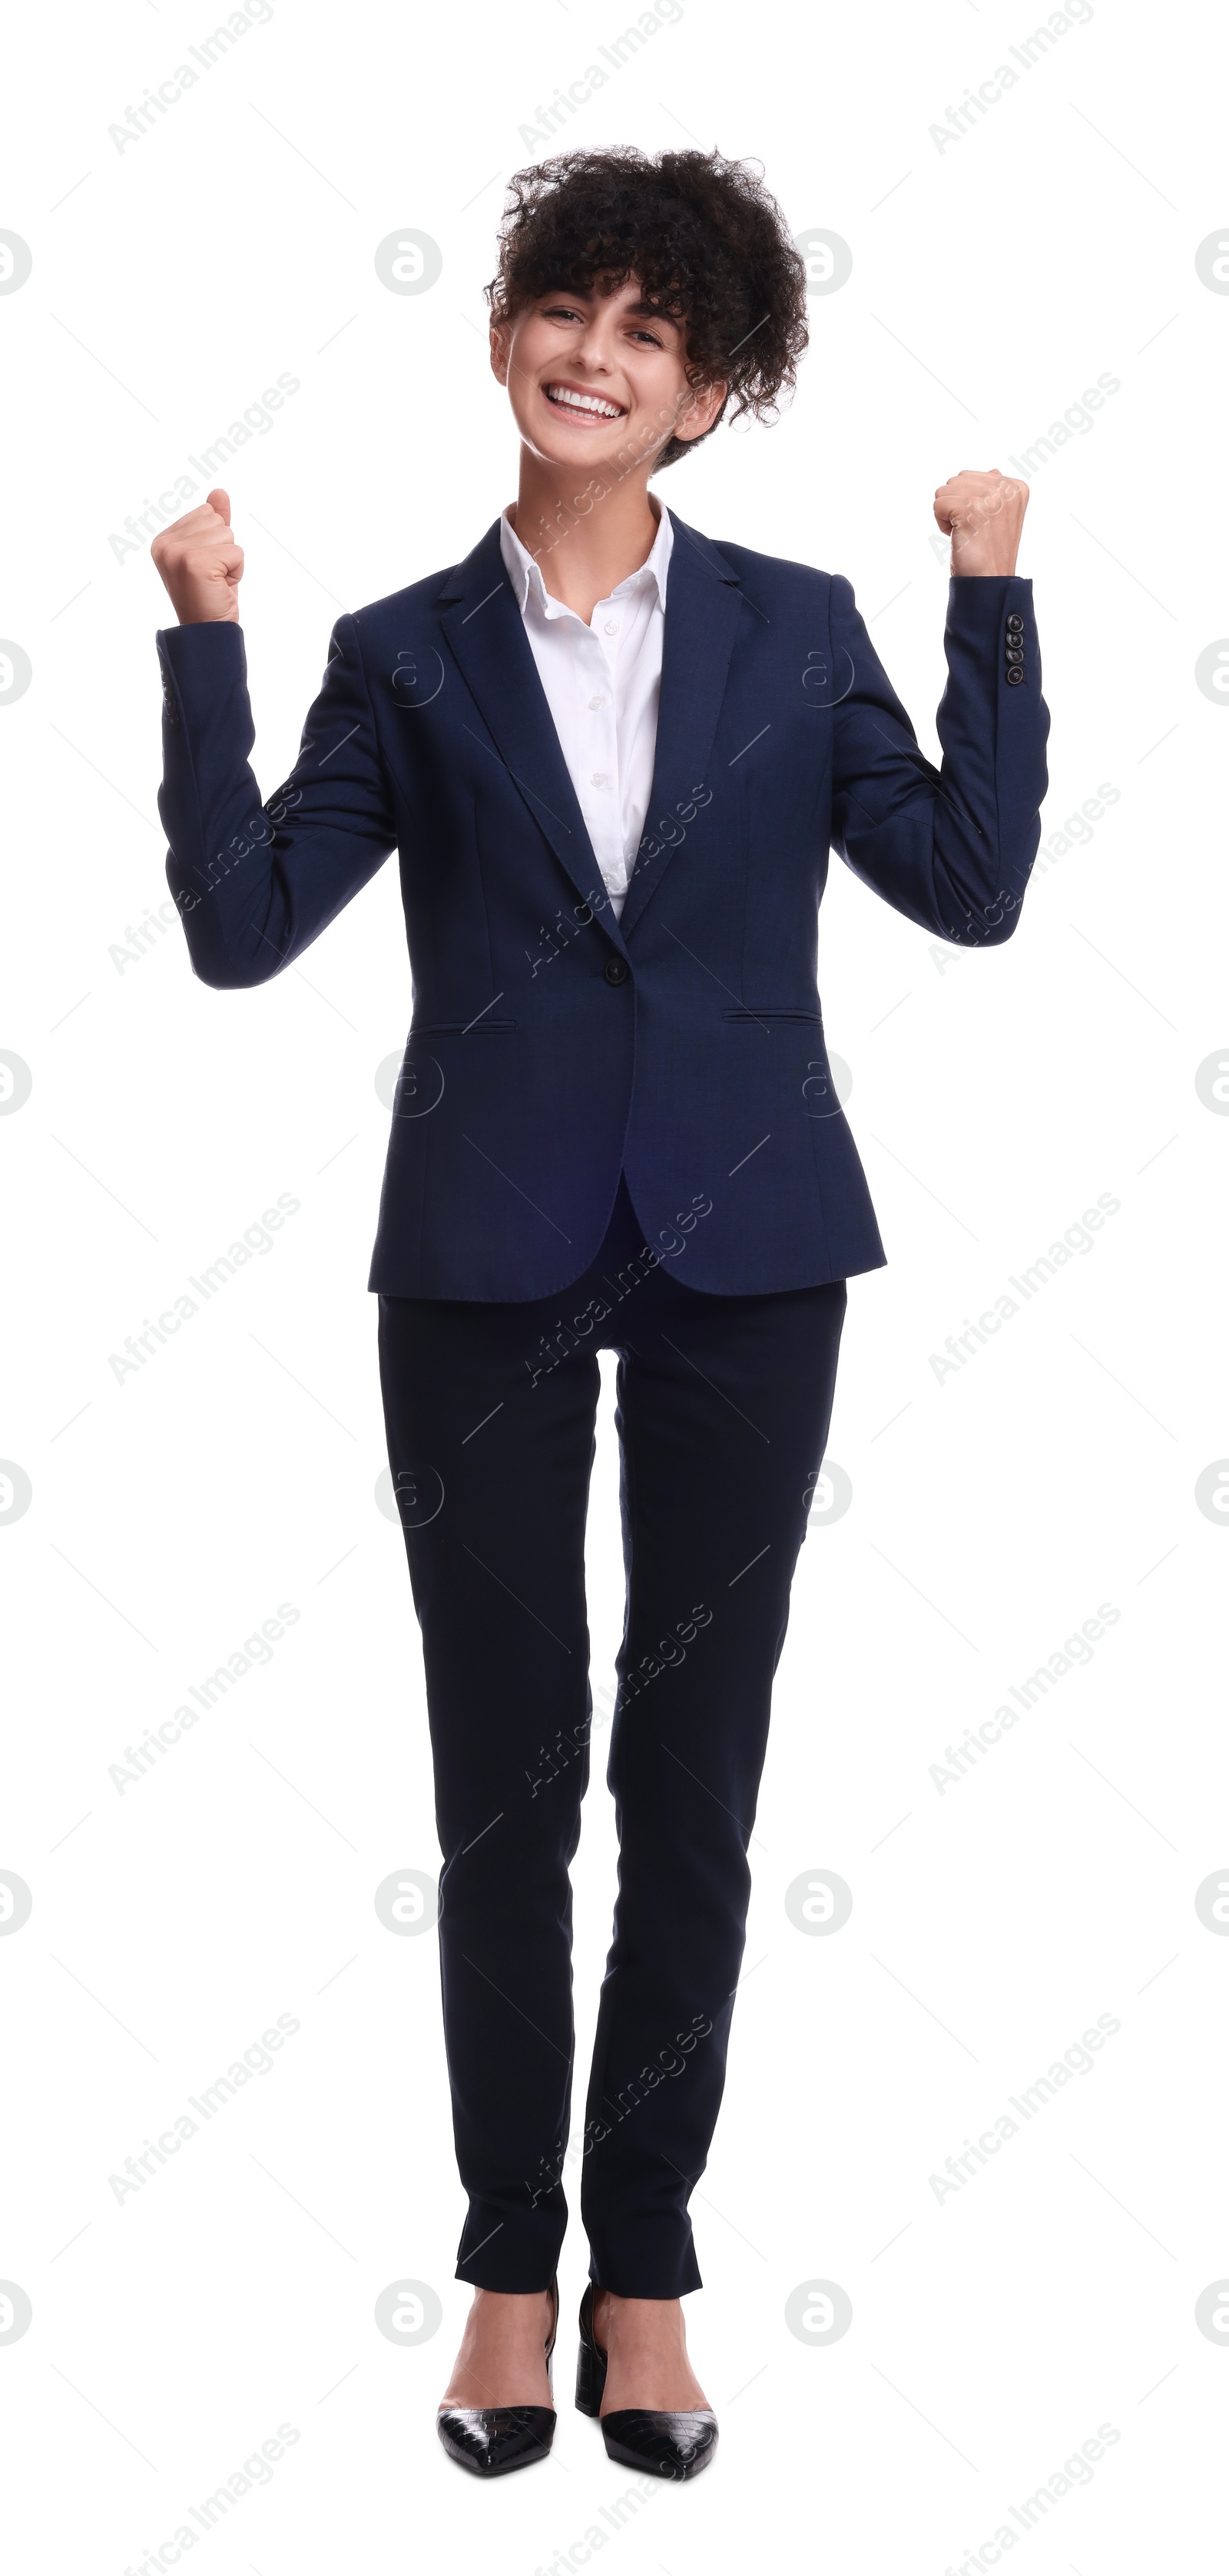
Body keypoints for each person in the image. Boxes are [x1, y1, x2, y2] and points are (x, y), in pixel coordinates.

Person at [151, 145, 1049, 2482]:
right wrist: (205, 636)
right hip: (483, 1249)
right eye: (571, 305)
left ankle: (645, 2271)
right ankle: (502, 2273)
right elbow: (244, 933)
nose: (597, 353)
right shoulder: (400, 654)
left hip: (750, 1243)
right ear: (505, 336)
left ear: (711, 389)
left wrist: (990, 591)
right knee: (505, 1795)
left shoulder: (799, 622)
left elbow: (968, 886)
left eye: (654, 332)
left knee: (699, 1780)